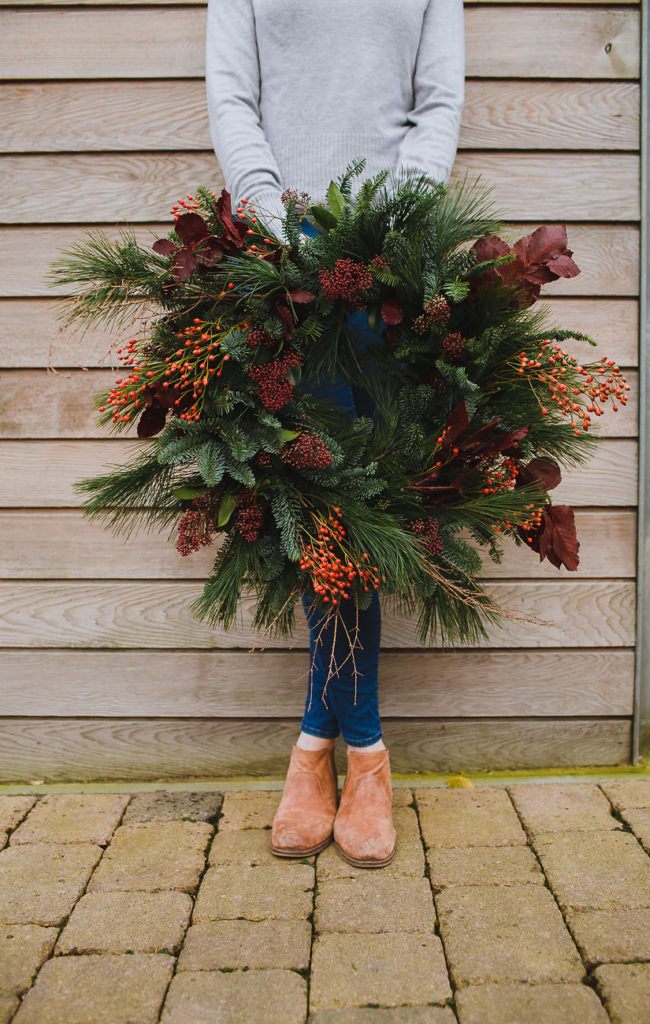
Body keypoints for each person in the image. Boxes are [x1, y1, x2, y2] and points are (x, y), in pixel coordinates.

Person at [205, 0, 465, 867]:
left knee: (363, 508)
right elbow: (234, 96)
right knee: (320, 509)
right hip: (284, 263)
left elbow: (437, 103)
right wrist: (283, 227)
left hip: (388, 262)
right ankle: (359, 758)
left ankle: (321, 752)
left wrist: (377, 229)